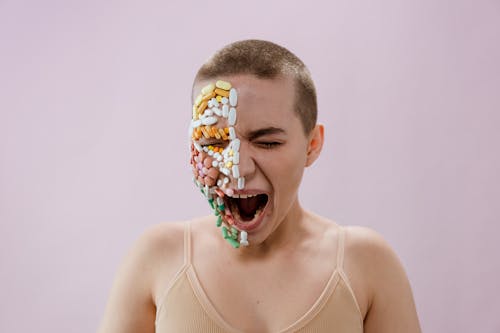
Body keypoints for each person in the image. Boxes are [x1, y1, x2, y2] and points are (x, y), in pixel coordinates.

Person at [98, 39, 422, 333]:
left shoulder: (366, 264)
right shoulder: (157, 259)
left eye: (267, 143)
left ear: (312, 145)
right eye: (213, 141)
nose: (237, 167)